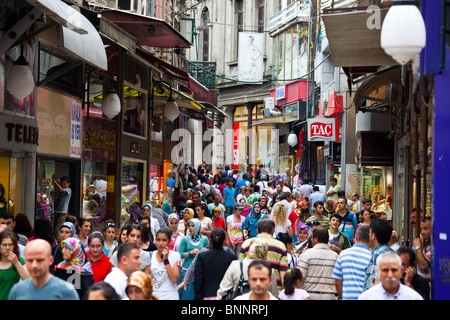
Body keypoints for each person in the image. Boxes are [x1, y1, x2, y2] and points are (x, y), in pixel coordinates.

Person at [9, 239, 79, 300]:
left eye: (40, 260)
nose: (34, 265)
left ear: (50, 260)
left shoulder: (66, 291)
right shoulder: (17, 290)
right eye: (30, 260)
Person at [240, 219, 288, 292]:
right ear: (273, 231)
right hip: (274, 289)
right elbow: (283, 272)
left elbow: (241, 267)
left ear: (257, 231)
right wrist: (285, 291)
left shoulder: (246, 244)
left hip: (250, 288)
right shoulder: (280, 246)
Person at [358, 252, 423, 300]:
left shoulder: (413, 297)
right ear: (377, 272)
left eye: (394, 270)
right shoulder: (366, 297)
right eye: (385, 270)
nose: (390, 275)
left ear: (400, 271)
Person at [297, 225, 338, 300]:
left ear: (316, 239)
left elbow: (299, 277)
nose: (311, 239)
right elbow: (338, 280)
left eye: (312, 237)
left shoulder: (306, 254)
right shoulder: (335, 256)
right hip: (329, 296)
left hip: (309, 295)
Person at [194, 228, 236, 300]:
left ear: (210, 240)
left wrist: (198, 296)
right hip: (226, 295)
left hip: (208, 295)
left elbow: (198, 279)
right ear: (224, 241)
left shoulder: (202, 256)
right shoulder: (231, 257)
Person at [332, 225, 372, 300]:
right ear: (371, 238)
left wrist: (342, 296)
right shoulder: (372, 257)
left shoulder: (343, 254)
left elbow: (337, 281)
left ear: (356, 237)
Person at [177, 218, 210, 300]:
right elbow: (180, 254)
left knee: (198, 293)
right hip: (186, 269)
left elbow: (208, 252)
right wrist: (190, 253)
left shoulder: (204, 239)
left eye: (193, 226)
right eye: (189, 226)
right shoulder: (185, 239)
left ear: (198, 227)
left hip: (199, 270)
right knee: (187, 294)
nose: (190, 228)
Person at [150, 229, 181, 300]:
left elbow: (174, 279)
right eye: (158, 240)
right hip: (154, 296)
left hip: (171, 296)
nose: (161, 243)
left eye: (164, 240)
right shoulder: (150, 255)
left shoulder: (175, 256)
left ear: (169, 241)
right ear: (155, 241)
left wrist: (166, 260)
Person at [364, 218, 394, 291]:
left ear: (373, 235)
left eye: (370, 232)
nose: (369, 235)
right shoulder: (392, 252)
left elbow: (376, 282)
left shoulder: (377, 254)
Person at [0, 230, 30, 300]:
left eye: (10, 244)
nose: (7, 248)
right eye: (4, 245)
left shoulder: (20, 261)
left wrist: (16, 263)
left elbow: (28, 281)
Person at [413, 216, 432, 283]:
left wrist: (418, 247)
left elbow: (423, 265)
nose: (422, 232)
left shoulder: (433, 246)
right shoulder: (426, 243)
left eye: (425, 229)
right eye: (421, 229)